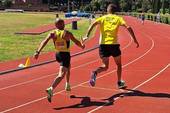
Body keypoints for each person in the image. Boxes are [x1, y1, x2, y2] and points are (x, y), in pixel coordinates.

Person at [83, 4, 139, 89]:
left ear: (107, 10)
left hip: (103, 45)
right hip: (114, 45)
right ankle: (119, 82)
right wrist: (134, 39)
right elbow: (129, 27)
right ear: (115, 11)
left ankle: (95, 72)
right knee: (119, 64)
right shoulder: (118, 18)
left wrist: (87, 35)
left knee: (105, 66)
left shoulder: (102, 18)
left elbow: (93, 24)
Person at [34, 18, 85, 103]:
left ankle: (67, 84)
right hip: (65, 55)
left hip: (58, 54)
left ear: (55, 25)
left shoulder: (52, 34)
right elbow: (76, 42)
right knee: (61, 74)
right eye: (63, 23)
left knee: (68, 67)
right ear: (63, 24)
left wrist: (37, 52)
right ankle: (51, 88)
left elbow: (44, 42)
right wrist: (82, 46)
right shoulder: (67, 33)